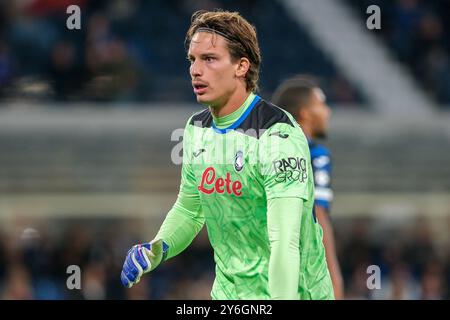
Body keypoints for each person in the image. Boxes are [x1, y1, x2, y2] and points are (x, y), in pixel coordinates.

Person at [120, 10, 334, 300]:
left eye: (209, 59)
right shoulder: (197, 128)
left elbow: (286, 241)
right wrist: (157, 249)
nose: (196, 70)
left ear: (241, 66)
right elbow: (190, 210)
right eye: (192, 60)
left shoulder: (278, 134)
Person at [272, 75, 344, 299]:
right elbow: (318, 215)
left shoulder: (264, 152)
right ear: (305, 113)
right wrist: (333, 278)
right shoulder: (315, 156)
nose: (327, 112)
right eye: (321, 105)